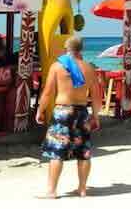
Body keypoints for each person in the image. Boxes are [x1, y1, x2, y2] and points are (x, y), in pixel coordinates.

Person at [36, 36, 102, 198]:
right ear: (81, 50)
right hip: (82, 111)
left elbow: (48, 92)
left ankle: (51, 191)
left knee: (57, 151)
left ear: (66, 49)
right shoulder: (89, 68)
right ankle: (82, 188)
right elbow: (96, 96)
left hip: (62, 112)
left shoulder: (58, 66)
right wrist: (96, 116)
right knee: (83, 151)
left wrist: (40, 110)